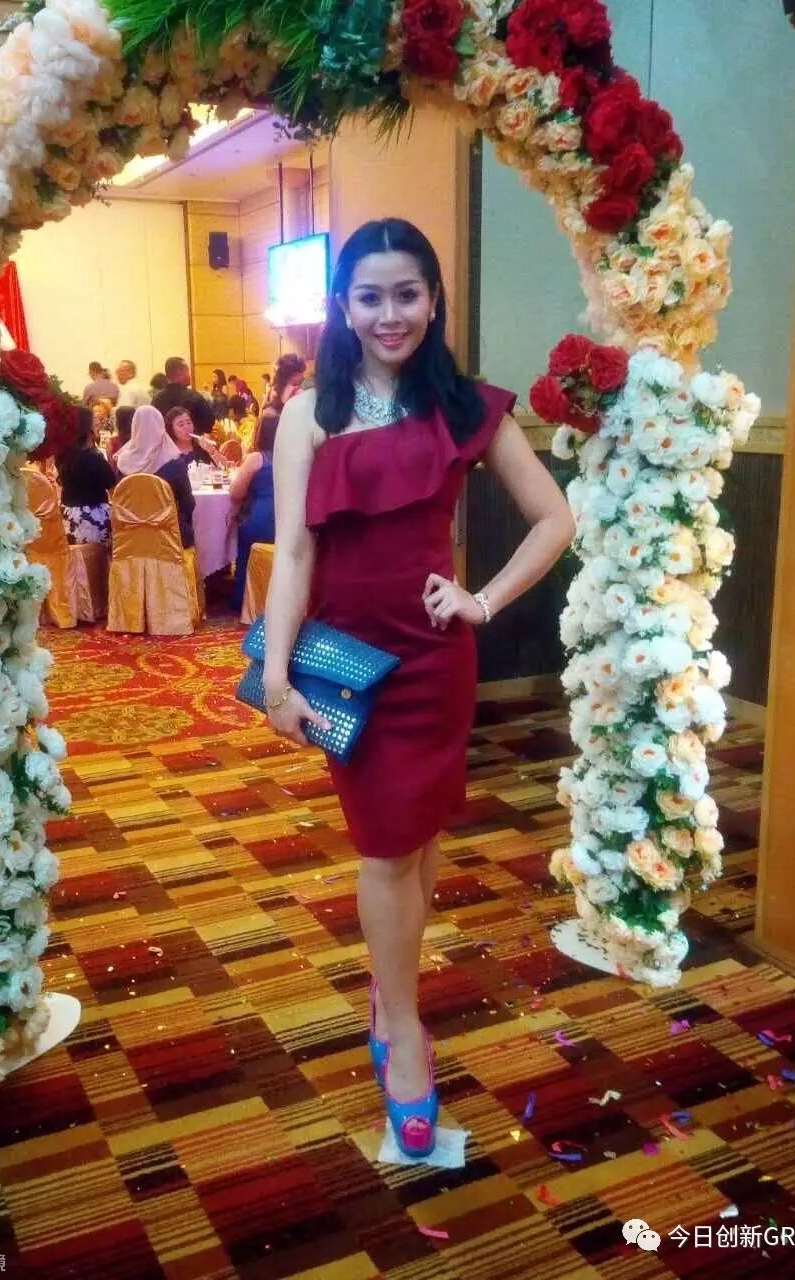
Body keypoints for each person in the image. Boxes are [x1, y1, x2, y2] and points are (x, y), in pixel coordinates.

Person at [261, 219, 574, 1158]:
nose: (389, 313)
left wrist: (483, 600)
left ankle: (389, 993)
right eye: (370, 296)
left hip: (436, 662)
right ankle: (403, 1032)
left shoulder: (464, 405)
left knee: (420, 841)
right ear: (343, 306)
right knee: (388, 847)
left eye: (406, 294)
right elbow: (295, 554)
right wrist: (274, 676)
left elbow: (554, 517)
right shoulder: (309, 414)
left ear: (434, 300)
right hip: (350, 670)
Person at [115, 404, 195, 549]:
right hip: (169, 537)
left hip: (131, 537)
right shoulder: (174, 463)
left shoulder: (123, 463)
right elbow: (188, 504)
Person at [228, 409, 278, 611]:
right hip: (287, 517)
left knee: (246, 545)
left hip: (261, 517)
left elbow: (236, 493)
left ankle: (245, 598)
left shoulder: (257, 458)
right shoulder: (294, 456)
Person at [57, 407, 117, 545]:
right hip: (95, 520)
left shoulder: (62, 456)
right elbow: (113, 489)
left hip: (68, 519)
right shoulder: (95, 458)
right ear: (88, 430)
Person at [152, 357, 216, 437]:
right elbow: (209, 423)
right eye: (187, 371)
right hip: (190, 441)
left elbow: (152, 426)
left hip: (165, 443)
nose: (189, 375)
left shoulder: (157, 399)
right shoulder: (194, 397)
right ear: (180, 373)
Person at [163, 406, 227, 472]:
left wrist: (212, 451)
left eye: (189, 422)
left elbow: (224, 467)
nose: (187, 427)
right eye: (181, 425)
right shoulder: (168, 452)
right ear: (172, 430)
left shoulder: (201, 446)